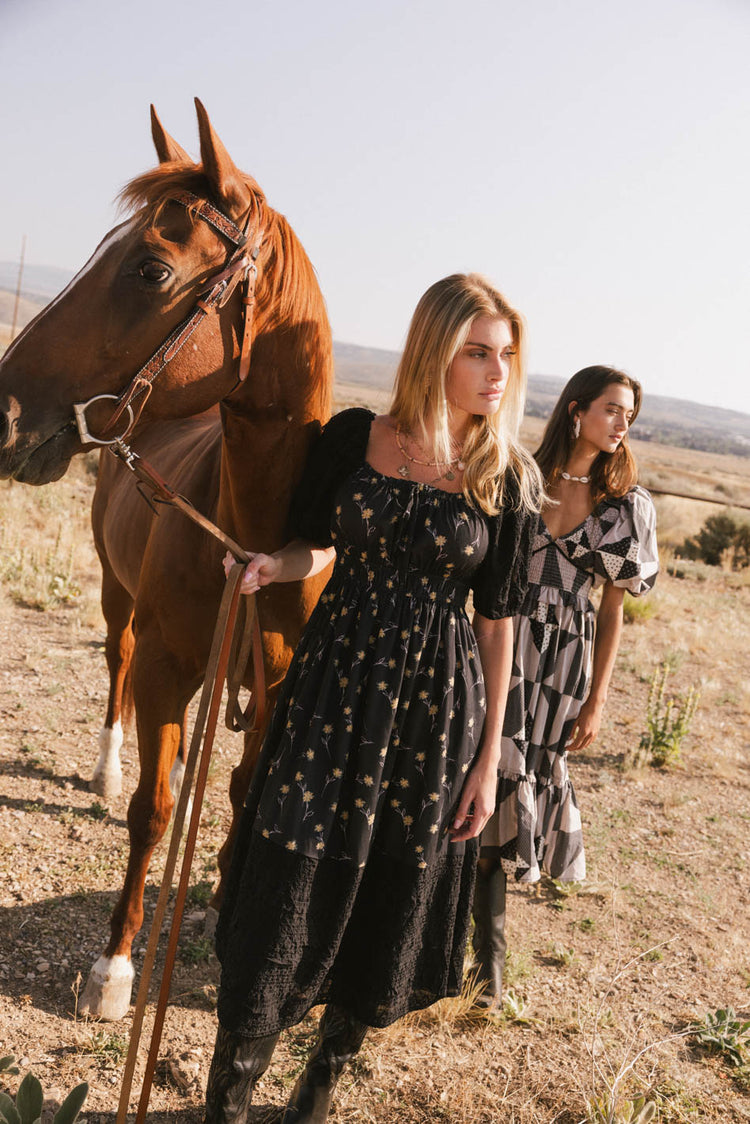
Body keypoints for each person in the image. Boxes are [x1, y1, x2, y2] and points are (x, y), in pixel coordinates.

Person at [204, 273, 543, 1123]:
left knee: (393, 886)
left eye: (505, 355)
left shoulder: (508, 479)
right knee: (286, 867)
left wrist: (488, 755)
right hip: (332, 687)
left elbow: (498, 625)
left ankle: (320, 1081)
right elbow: (315, 547)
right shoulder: (355, 437)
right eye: (476, 353)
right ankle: (230, 1096)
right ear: (433, 351)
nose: (496, 372)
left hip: (436, 711)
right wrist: (268, 566)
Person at [472, 365, 659, 1007]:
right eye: (612, 408)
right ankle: (463, 953)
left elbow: (613, 610)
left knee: (515, 786)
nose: (622, 423)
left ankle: (487, 974)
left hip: (563, 664)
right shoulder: (519, 477)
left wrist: (598, 698)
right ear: (576, 410)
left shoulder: (626, 505)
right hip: (498, 646)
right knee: (479, 776)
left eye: (629, 413)